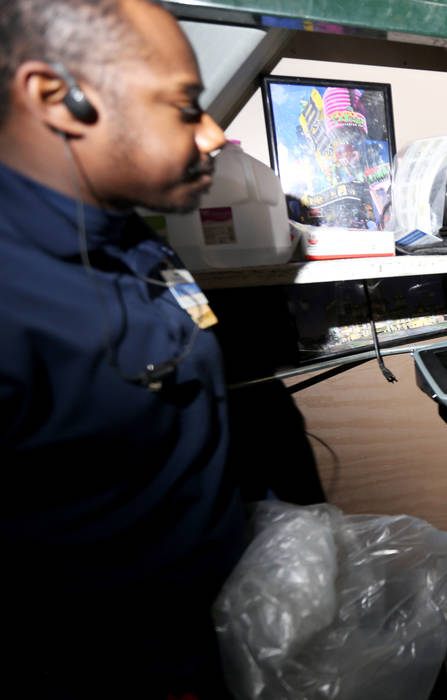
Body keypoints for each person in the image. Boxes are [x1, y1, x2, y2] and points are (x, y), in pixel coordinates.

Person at [0, 0, 245, 696]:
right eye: (186, 106)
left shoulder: (127, 232)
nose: (217, 134)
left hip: (216, 630)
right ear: (58, 98)